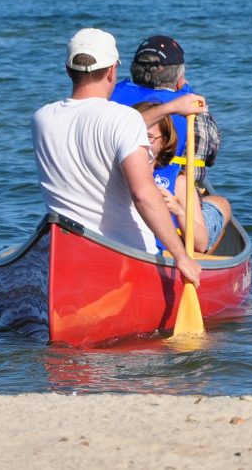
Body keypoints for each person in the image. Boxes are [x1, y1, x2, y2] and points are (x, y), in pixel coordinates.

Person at [31, 27, 204, 286]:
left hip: (71, 254)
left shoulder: (42, 118)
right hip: (128, 253)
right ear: (112, 71)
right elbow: (143, 194)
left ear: (68, 70)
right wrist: (181, 256)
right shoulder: (126, 120)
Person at [110, 35, 221, 181]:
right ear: (180, 74)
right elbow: (208, 159)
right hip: (171, 191)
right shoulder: (194, 110)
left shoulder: (108, 96)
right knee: (220, 203)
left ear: (134, 68)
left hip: (116, 185)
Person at [133, 101, 232, 255]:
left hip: (165, 253)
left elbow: (200, 244)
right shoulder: (115, 172)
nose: (142, 143)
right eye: (136, 136)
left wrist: (178, 210)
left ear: (164, 142)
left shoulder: (179, 183)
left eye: (149, 137)